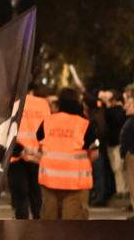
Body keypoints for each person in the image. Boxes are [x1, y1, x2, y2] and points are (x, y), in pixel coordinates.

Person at [35, 88, 98, 220]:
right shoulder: (85, 124)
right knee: (72, 230)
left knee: (50, 228)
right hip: (76, 185)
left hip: (49, 183)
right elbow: (94, 154)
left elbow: (40, 144)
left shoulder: (47, 122)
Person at [8, 82, 49, 219]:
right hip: (37, 155)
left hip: (17, 154)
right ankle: (38, 224)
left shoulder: (11, 102)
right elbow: (47, 129)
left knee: (20, 195)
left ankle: (21, 225)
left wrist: (20, 150)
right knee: (36, 194)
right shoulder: (43, 103)